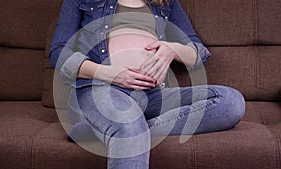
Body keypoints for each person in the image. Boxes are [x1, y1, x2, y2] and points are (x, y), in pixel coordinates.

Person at [49, 0, 246, 168]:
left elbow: (197, 53)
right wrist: (107, 73)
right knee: (128, 124)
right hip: (99, 89)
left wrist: (172, 49)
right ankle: (123, 129)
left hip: (153, 95)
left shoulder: (165, 2)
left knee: (230, 102)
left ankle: (101, 132)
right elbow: (58, 53)